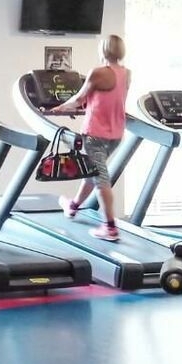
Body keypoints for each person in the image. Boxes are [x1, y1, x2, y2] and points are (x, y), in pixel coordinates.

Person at [48, 34, 130, 242]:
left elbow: (79, 98)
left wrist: (60, 107)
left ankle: (110, 227)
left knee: (100, 178)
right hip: (116, 134)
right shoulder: (126, 73)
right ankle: (73, 205)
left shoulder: (98, 72)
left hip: (95, 134)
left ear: (103, 50)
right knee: (93, 173)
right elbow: (111, 98)